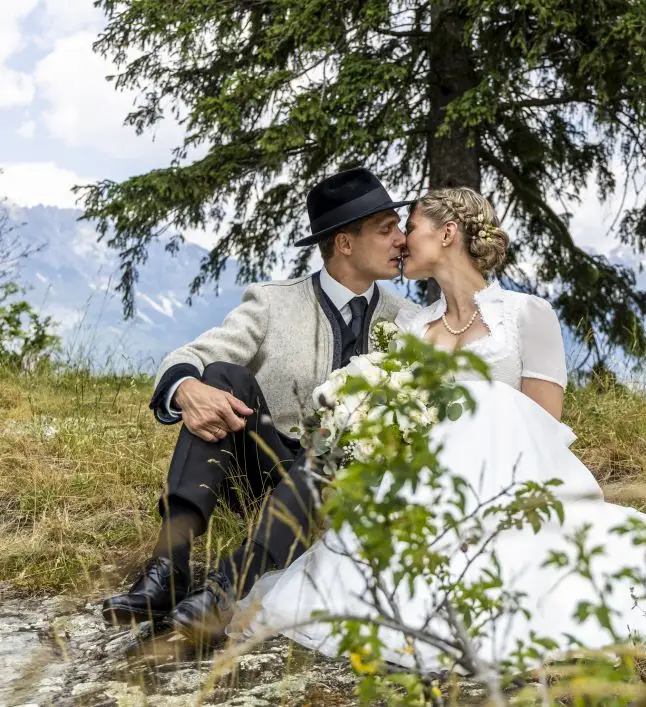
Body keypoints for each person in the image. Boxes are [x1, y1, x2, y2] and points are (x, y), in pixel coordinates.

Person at [234, 187, 646, 670]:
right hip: (427, 494)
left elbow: (544, 424)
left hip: (513, 487)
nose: (402, 241)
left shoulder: (524, 315)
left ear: (447, 233)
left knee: (486, 400)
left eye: (410, 227)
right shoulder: (413, 327)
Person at [102, 167, 418, 642]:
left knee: (333, 448)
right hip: (263, 469)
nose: (402, 239)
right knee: (221, 375)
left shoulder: (407, 320)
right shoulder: (272, 303)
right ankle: (168, 567)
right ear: (344, 244)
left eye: (398, 226)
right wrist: (187, 389)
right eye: (386, 228)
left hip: (346, 482)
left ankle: (224, 587)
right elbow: (189, 356)